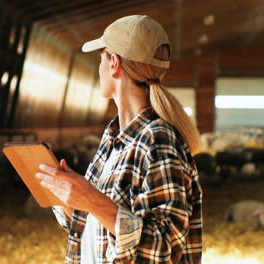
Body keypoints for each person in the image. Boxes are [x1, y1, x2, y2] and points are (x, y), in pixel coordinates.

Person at [36, 15, 203, 263]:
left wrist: (94, 200)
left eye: (100, 59)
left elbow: (164, 248)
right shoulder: (113, 137)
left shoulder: (158, 140)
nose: (99, 68)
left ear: (114, 63)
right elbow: (100, 228)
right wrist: (69, 196)